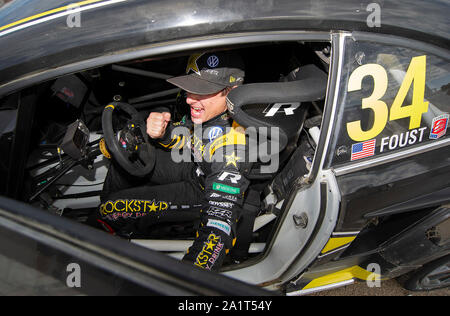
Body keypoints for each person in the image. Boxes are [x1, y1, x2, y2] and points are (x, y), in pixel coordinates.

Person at [97, 51, 250, 271]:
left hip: (201, 191)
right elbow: (189, 139)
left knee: (111, 209)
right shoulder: (212, 114)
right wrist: (164, 134)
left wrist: (187, 282)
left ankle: (113, 240)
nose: (189, 98)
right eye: (190, 88)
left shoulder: (232, 149)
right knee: (125, 160)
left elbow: (218, 229)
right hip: (191, 165)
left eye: (203, 91)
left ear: (233, 92)